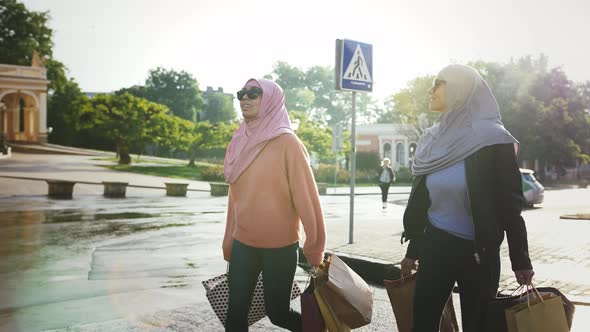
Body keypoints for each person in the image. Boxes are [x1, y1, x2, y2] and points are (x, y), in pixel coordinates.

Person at [399, 64, 534, 332]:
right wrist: (413, 251)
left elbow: (510, 205)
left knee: (478, 326)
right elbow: (423, 200)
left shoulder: (493, 140)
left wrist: (521, 260)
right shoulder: (433, 139)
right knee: (422, 325)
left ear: (459, 90)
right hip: (436, 246)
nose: (431, 90)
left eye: (439, 83)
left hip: (479, 253)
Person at [222, 78, 327, 332]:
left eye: (253, 93)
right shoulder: (238, 141)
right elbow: (235, 197)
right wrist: (229, 240)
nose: (244, 98)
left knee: (278, 313)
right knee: (234, 314)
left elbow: (307, 199)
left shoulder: (288, 144)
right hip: (243, 245)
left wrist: (314, 249)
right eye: (241, 94)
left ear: (270, 99)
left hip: (279, 249)